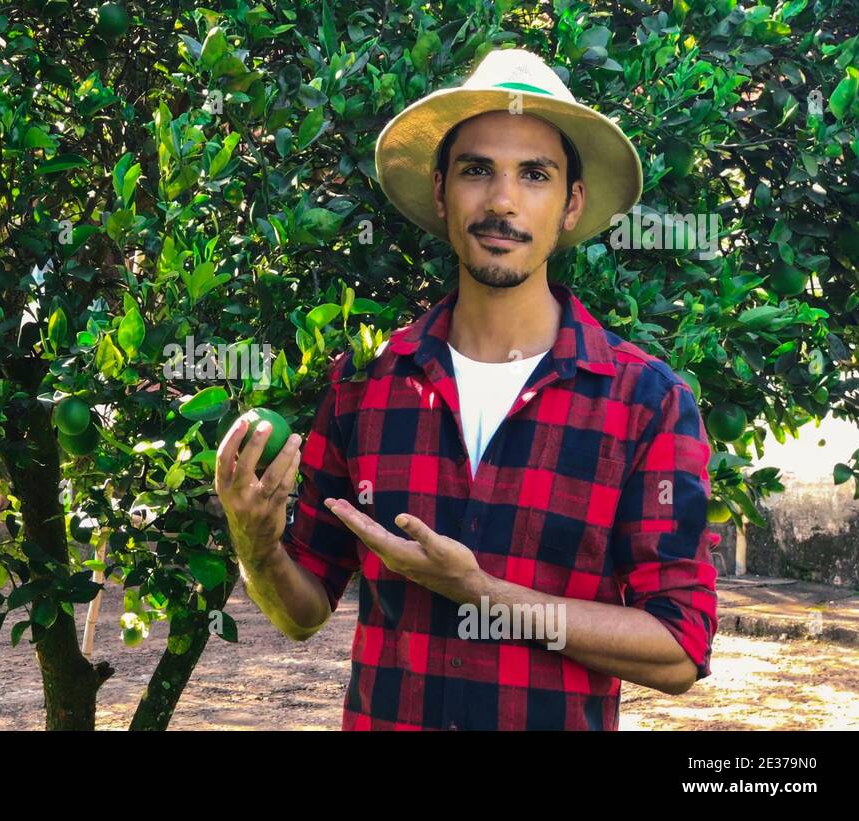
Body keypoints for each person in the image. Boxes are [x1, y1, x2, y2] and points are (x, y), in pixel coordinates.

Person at [214, 48, 720, 731]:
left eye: (533, 174)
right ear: (442, 190)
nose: (502, 200)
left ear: (571, 204)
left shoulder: (645, 401)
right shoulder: (363, 386)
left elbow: (680, 646)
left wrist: (483, 592)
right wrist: (256, 542)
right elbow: (302, 611)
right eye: (477, 169)